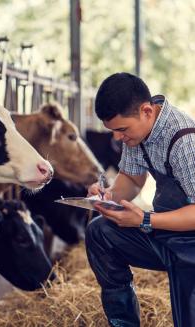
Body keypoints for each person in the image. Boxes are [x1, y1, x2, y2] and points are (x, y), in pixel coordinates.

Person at [86, 72, 195, 327]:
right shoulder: (137, 134)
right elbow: (133, 180)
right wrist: (108, 196)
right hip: (167, 236)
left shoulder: (185, 140)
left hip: (192, 244)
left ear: (147, 111)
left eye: (121, 129)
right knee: (100, 232)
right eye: (112, 131)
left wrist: (145, 218)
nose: (117, 138)